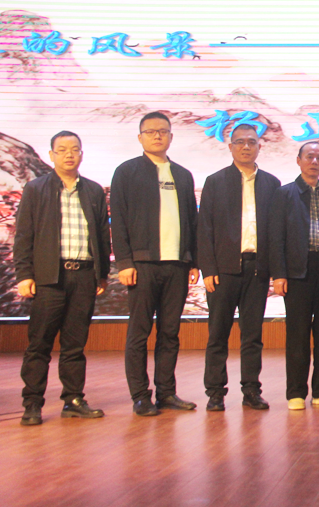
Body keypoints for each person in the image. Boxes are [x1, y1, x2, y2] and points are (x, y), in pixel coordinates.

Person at [15, 131, 110, 425]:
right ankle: (32, 403)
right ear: (52, 155)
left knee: (75, 344)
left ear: (81, 154)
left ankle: (73, 399)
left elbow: (101, 235)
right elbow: (24, 235)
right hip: (49, 277)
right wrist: (24, 274)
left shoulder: (93, 191)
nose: (69, 154)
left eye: (75, 149)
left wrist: (102, 274)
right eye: (62, 149)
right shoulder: (36, 189)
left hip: (83, 276)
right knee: (39, 344)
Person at [111, 111, 200, 416]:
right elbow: (118, 220)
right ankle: (140, 395)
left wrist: (193, 260)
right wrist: (124, 262)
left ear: (171, 137)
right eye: (151, 131)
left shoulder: (183, 175)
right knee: (139, 332)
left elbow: (191, 220)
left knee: (170, 332)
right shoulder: (127, 172)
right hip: (142, 265)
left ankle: (166, 393)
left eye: (163, 131)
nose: (157, 136)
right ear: (140, 137)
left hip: (177, 264)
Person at [198, 123, 281, 411]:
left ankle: (251, 390)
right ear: (230, 146)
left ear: (259, 146)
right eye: (240, 142)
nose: (246, 146)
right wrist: (208, 269)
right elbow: (204, 228)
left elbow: (276, 232)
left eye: (251, 142)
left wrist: (276, 271)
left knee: (252, 335)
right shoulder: (215, 181)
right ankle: (215, 392)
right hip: (223, 271)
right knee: (217, 334)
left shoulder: (271, 184)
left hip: (257, 270)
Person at [269, 142, 319, 410]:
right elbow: (275, 236)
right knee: (297, 333)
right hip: (298, 269)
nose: (314, 161)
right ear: (298, 160)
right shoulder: (284, 194)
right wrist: (279, 274)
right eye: (309, 156)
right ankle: (296, 392)